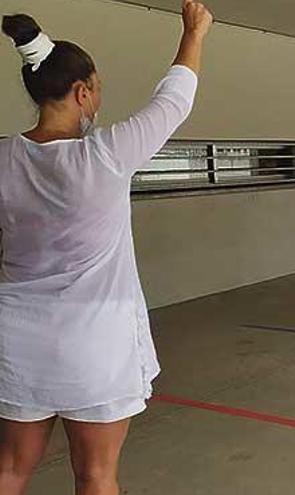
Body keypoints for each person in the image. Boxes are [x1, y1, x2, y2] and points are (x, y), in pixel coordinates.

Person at [0, 2, 211, 493]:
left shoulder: (4, 158)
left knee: (9, 469)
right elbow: (174, 99)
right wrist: (194, 33)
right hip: (94, 347)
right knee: (95, 475)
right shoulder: (106, 155)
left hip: (16, 340)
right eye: (96, 91)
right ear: (81, 91)